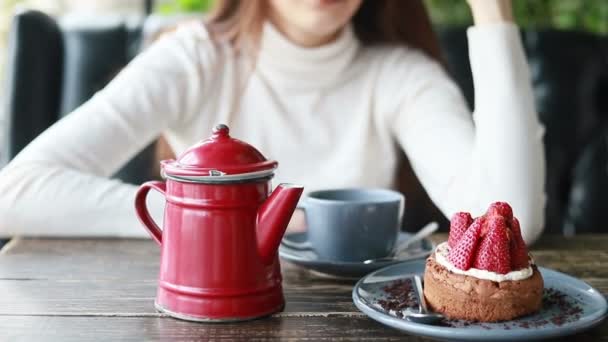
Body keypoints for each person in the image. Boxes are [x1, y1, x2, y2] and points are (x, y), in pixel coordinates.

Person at [0, 0, 545, 243]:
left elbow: (510, 220)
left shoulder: (399, 74)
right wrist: (221, 216)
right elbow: (16, 192)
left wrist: (493, 13)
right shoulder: (195, 58)